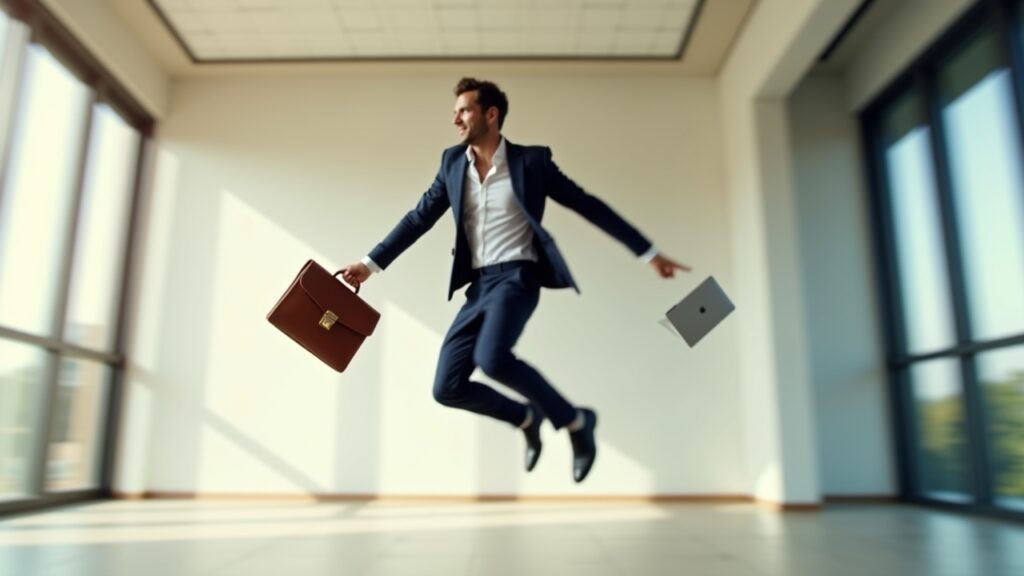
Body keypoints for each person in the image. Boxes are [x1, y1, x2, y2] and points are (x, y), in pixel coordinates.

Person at [341, 78, 688, 483]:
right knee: (447, 387)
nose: (455, 118)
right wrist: (370, 264)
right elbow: (419, 218)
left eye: (465, 110)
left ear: (492, 114)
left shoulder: (532, 162)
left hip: (518, 278)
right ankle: (525, 417)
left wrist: (648, 253)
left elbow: (587, 205)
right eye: (455, 111)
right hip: (480, 287)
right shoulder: (452, 164)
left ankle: (576, 423)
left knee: (492, 359)